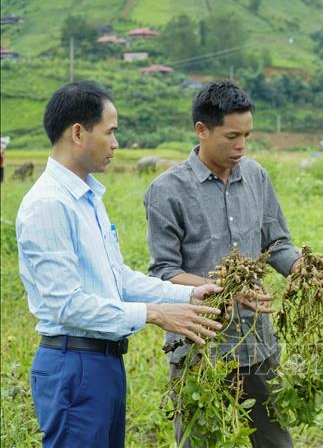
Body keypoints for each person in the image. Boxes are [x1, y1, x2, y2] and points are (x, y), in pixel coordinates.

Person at [16, 81, 228, 448]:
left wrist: (189, 293)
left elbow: (118, 279)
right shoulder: (50, 204)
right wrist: (156, 314)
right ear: (78, 133)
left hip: (103, 363)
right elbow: (66, 305)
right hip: (74, 363)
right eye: (110, 132)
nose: (116, 143)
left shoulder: (87, 197)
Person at [144, 80, 323, 448]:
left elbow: (276, 242)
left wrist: (305, 271)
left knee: (275, 440)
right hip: (200, 344)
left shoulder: (256, 176)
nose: (241, 146)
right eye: (232, 136)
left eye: (247, 135)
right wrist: (226, 292)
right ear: (202, 130)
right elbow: (165, 272)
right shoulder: (167, 191)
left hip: (256, 340)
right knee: (199, 440)